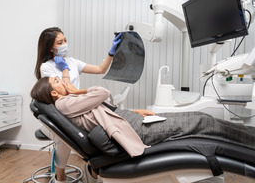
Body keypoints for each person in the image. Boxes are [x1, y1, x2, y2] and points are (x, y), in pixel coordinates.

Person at [31, 76, 255, 182]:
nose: (63, 80)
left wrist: (136, 112)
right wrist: (76, 90)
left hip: (128, 120)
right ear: (53, 93)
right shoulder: (63, 103)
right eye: (58, 81)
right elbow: (102, 92)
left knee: (202, 118)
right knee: (205, 123)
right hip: (133, 129)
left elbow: (104, 107)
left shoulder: (65, 104)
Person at [34, 27, 122, 183]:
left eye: (65, 40)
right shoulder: (46, 67)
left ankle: (94, 171)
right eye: (60, 42)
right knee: (64, 138)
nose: (64, 44)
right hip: (59, 116)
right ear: (50, 47)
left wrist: (112, 52)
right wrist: (65, 70)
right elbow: (64, 93)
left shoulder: (72, 62)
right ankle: (60, 177)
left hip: (76, 112)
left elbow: (101, 69)